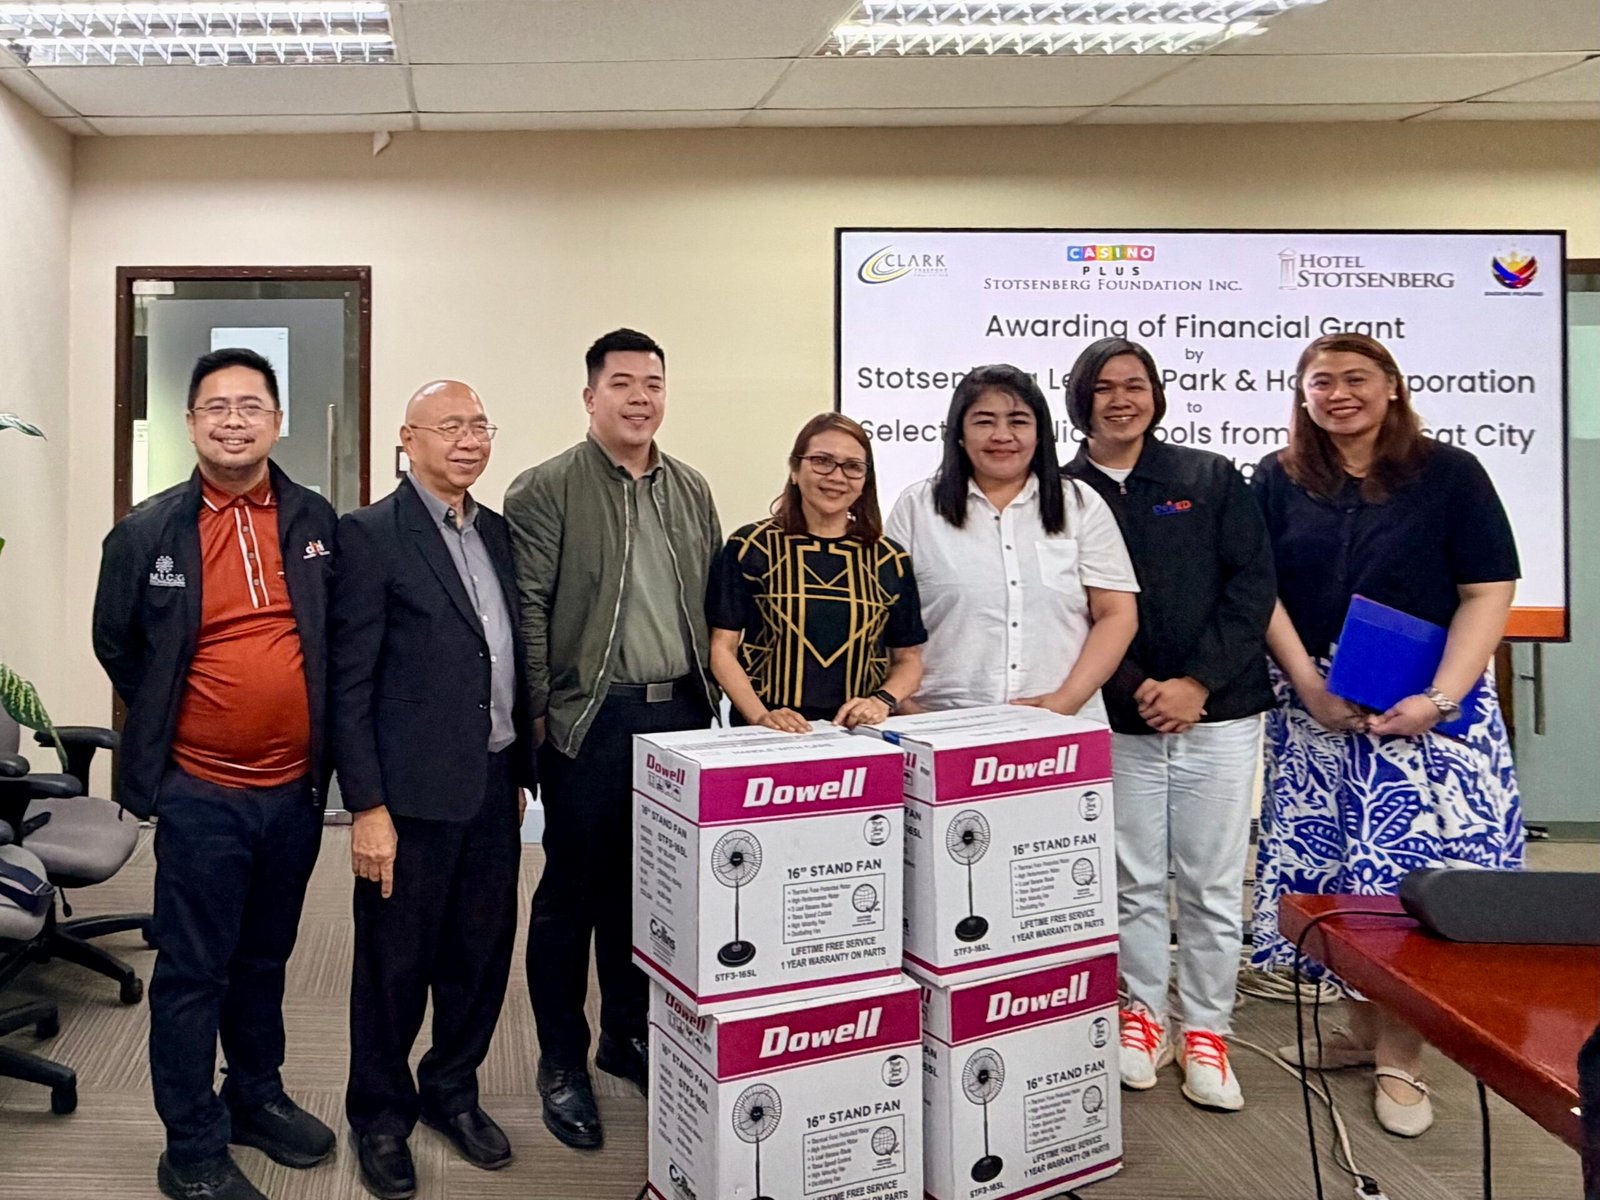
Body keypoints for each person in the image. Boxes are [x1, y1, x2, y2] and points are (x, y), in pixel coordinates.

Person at [1250, 333, 1522, 1138]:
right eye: (1320, 381)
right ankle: (1362, 1032)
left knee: (1412, 885)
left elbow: (1488, 590)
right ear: (1302, 395)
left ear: (1392, 387)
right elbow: (1261, 591)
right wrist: (1308, 686)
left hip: (1430, 710)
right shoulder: (1278, 477)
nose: (1338, 394)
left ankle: (1403, 1057)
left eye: (1356, 378)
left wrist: (1439, 697)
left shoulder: (1450, 473)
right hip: (1318, 712)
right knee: (1336, 879)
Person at [92, 348, 337, 1200]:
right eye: (217, 407)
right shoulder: (146, 531)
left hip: (295, 792)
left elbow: (333, 636)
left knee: (266, 957)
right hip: (202, 793)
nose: (235, 421)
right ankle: (191, 1146)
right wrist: (181, 716)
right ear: (192, 422)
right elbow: (117, 644)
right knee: (195, 972)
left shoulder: (314, 519)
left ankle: (255, 1096)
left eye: (251, 405)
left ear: (278, 420)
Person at [504, 328, 720, 1150]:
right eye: (623, 383)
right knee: (571, 895)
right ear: (591, 397)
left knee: (650, 894)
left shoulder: (690, 488)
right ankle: (561, 1059)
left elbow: (714, 605)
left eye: (652, 383)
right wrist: (538, 724)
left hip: (681, 719)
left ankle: (624, 1034)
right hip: (591, 719)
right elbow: (529, 612)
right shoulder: (546, 488)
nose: (640, 398)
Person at [331, 380, 536, 1199]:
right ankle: (380, 1115)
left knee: (479, 957)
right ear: (407, 439)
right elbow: (350, 684)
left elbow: (504, 655)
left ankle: (452, 1090)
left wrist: (516, 770)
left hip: (492, 780)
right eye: (450, 426)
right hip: (407, 799)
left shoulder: (498, 531)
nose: (469, 439)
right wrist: (366, 807)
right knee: (394, 966)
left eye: (480, 425)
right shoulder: (370, 535)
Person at [1062, 338, 1276, 1112]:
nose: (1121, 399)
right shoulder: (1060, 493)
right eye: (1104, 387)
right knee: (1133, 881)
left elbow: (1252, 586)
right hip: (1118, 718)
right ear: (1079, 400)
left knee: (1213, 884)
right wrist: (1138, 687)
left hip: (1218, 713)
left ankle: (1207, 1028)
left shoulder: (1208, 477)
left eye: (1136, 385)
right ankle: (1143, 1016)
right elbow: (1068, 611)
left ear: (1156, 395)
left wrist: (1195, 683)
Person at [885, 363, 1138, 720]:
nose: (1002, 435)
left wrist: (1065, 701)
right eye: (984, 421)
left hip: (1063, 724)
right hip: (939, 723)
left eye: (1018, 421)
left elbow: (1117, 614)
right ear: (959, 434)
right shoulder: (917, 508)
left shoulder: (1080, 504)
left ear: (1040, 434)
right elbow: (883, 619)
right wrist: (904, 704)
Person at [708, 413, 926, 732]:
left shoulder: (889, 559)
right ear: (795, 470)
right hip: (766, 734)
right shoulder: (750, 546)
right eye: (822, 461)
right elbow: (721, 649)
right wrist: (761, 717)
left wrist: (880, 702)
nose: (836, 476)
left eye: (852, 466)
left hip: (858, 733)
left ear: (865, 480)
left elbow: (909, 660)